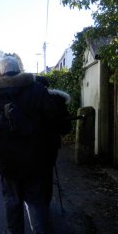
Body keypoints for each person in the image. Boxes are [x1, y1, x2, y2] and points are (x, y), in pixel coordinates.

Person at [0, 56, 59, 234]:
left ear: (0, 73)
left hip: (8, 159)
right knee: (36, 201)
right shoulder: (36, 89)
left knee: (12, 203)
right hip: (34, 158)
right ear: (19, 70)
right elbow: (53, 118)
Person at [35, 75, 72, 205]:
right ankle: (46, 200)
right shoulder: (58, 100)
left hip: (32, 143)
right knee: (47, 173)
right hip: (51, 143)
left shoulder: (29, 99)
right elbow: (66, 127)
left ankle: (37, 200)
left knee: (33, 172)